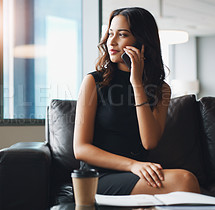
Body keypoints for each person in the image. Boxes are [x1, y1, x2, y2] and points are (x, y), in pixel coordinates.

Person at [73, 7, 200, 195]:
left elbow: (149, 142)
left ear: (141, 42)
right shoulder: (93, 82)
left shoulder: (161, 89)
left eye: (122, 35)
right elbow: (81, 149)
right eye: (110, 34)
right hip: (98, 177)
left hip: (138, 173)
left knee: (182, 182)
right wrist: (133, 165)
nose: (112, 42)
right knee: (185, 180)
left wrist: (137, 83)